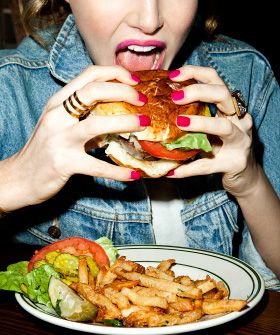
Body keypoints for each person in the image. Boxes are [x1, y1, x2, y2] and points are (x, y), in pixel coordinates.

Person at [0, 0, 279, 290]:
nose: (149, 20)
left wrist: (251, 183)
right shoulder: (9, 88)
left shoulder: (247, 74)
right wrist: (14, 179)